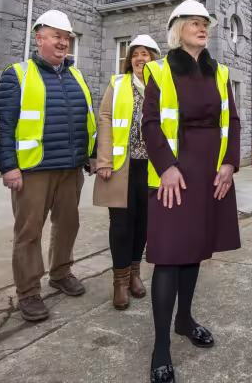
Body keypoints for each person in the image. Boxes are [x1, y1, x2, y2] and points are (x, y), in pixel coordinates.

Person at [142, 0, 241, 383]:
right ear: (177, 28)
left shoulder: (220, 72)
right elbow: (150, 124)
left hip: (209, 174)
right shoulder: (159, 69)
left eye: (206, 23)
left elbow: (232, 120)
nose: (203, 28)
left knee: (194, 251)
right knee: (168, 255)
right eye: (195, 23)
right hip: (174, 173)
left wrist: (230, 164)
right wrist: (165, 167)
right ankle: (161, 345)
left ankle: (184, 319)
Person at [0, 10, 97, 323]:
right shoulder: (17, 75)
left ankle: (61, 273)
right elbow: (3, 125)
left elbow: (86, 119)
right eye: (56, 36)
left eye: (66, 38)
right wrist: (8, 167)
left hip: (71, 168)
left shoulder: (76, 75)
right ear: (39, 39)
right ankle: (28, 292)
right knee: (29, 232)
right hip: (33, 170)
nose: (63, 42)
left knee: (68, 224)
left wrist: (90, 153)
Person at [94, 35, 160, 310]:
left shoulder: (163, 88)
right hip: (121, 166)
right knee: (121, 225)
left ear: (155, 59)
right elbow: (105, 118)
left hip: (152, 168)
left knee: (144, 224)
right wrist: (104, 160)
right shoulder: (118, 84)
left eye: (145, 54)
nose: (139, 59)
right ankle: (119, 282)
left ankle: (134, 274)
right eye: (135, 54)